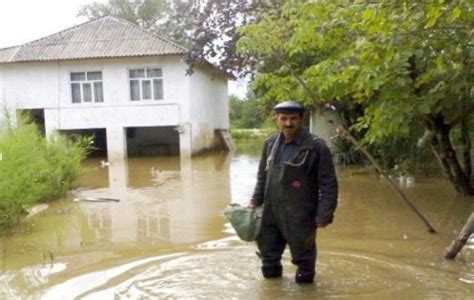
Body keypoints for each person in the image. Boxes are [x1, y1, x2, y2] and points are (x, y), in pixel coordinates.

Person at [247, 100, 338, 284]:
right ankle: (273, 294)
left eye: (293, 119)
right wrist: (254, 202)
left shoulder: (316, 146)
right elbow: (262, 177)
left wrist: (324, 215)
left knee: (304, 262)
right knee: (268, 259)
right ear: (277, 120)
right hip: (270, 213)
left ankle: (307, 294)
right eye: (284, 119)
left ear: (302, 119)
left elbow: (329, 185)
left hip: (301, 215)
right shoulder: (270, 144)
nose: (288, 123)